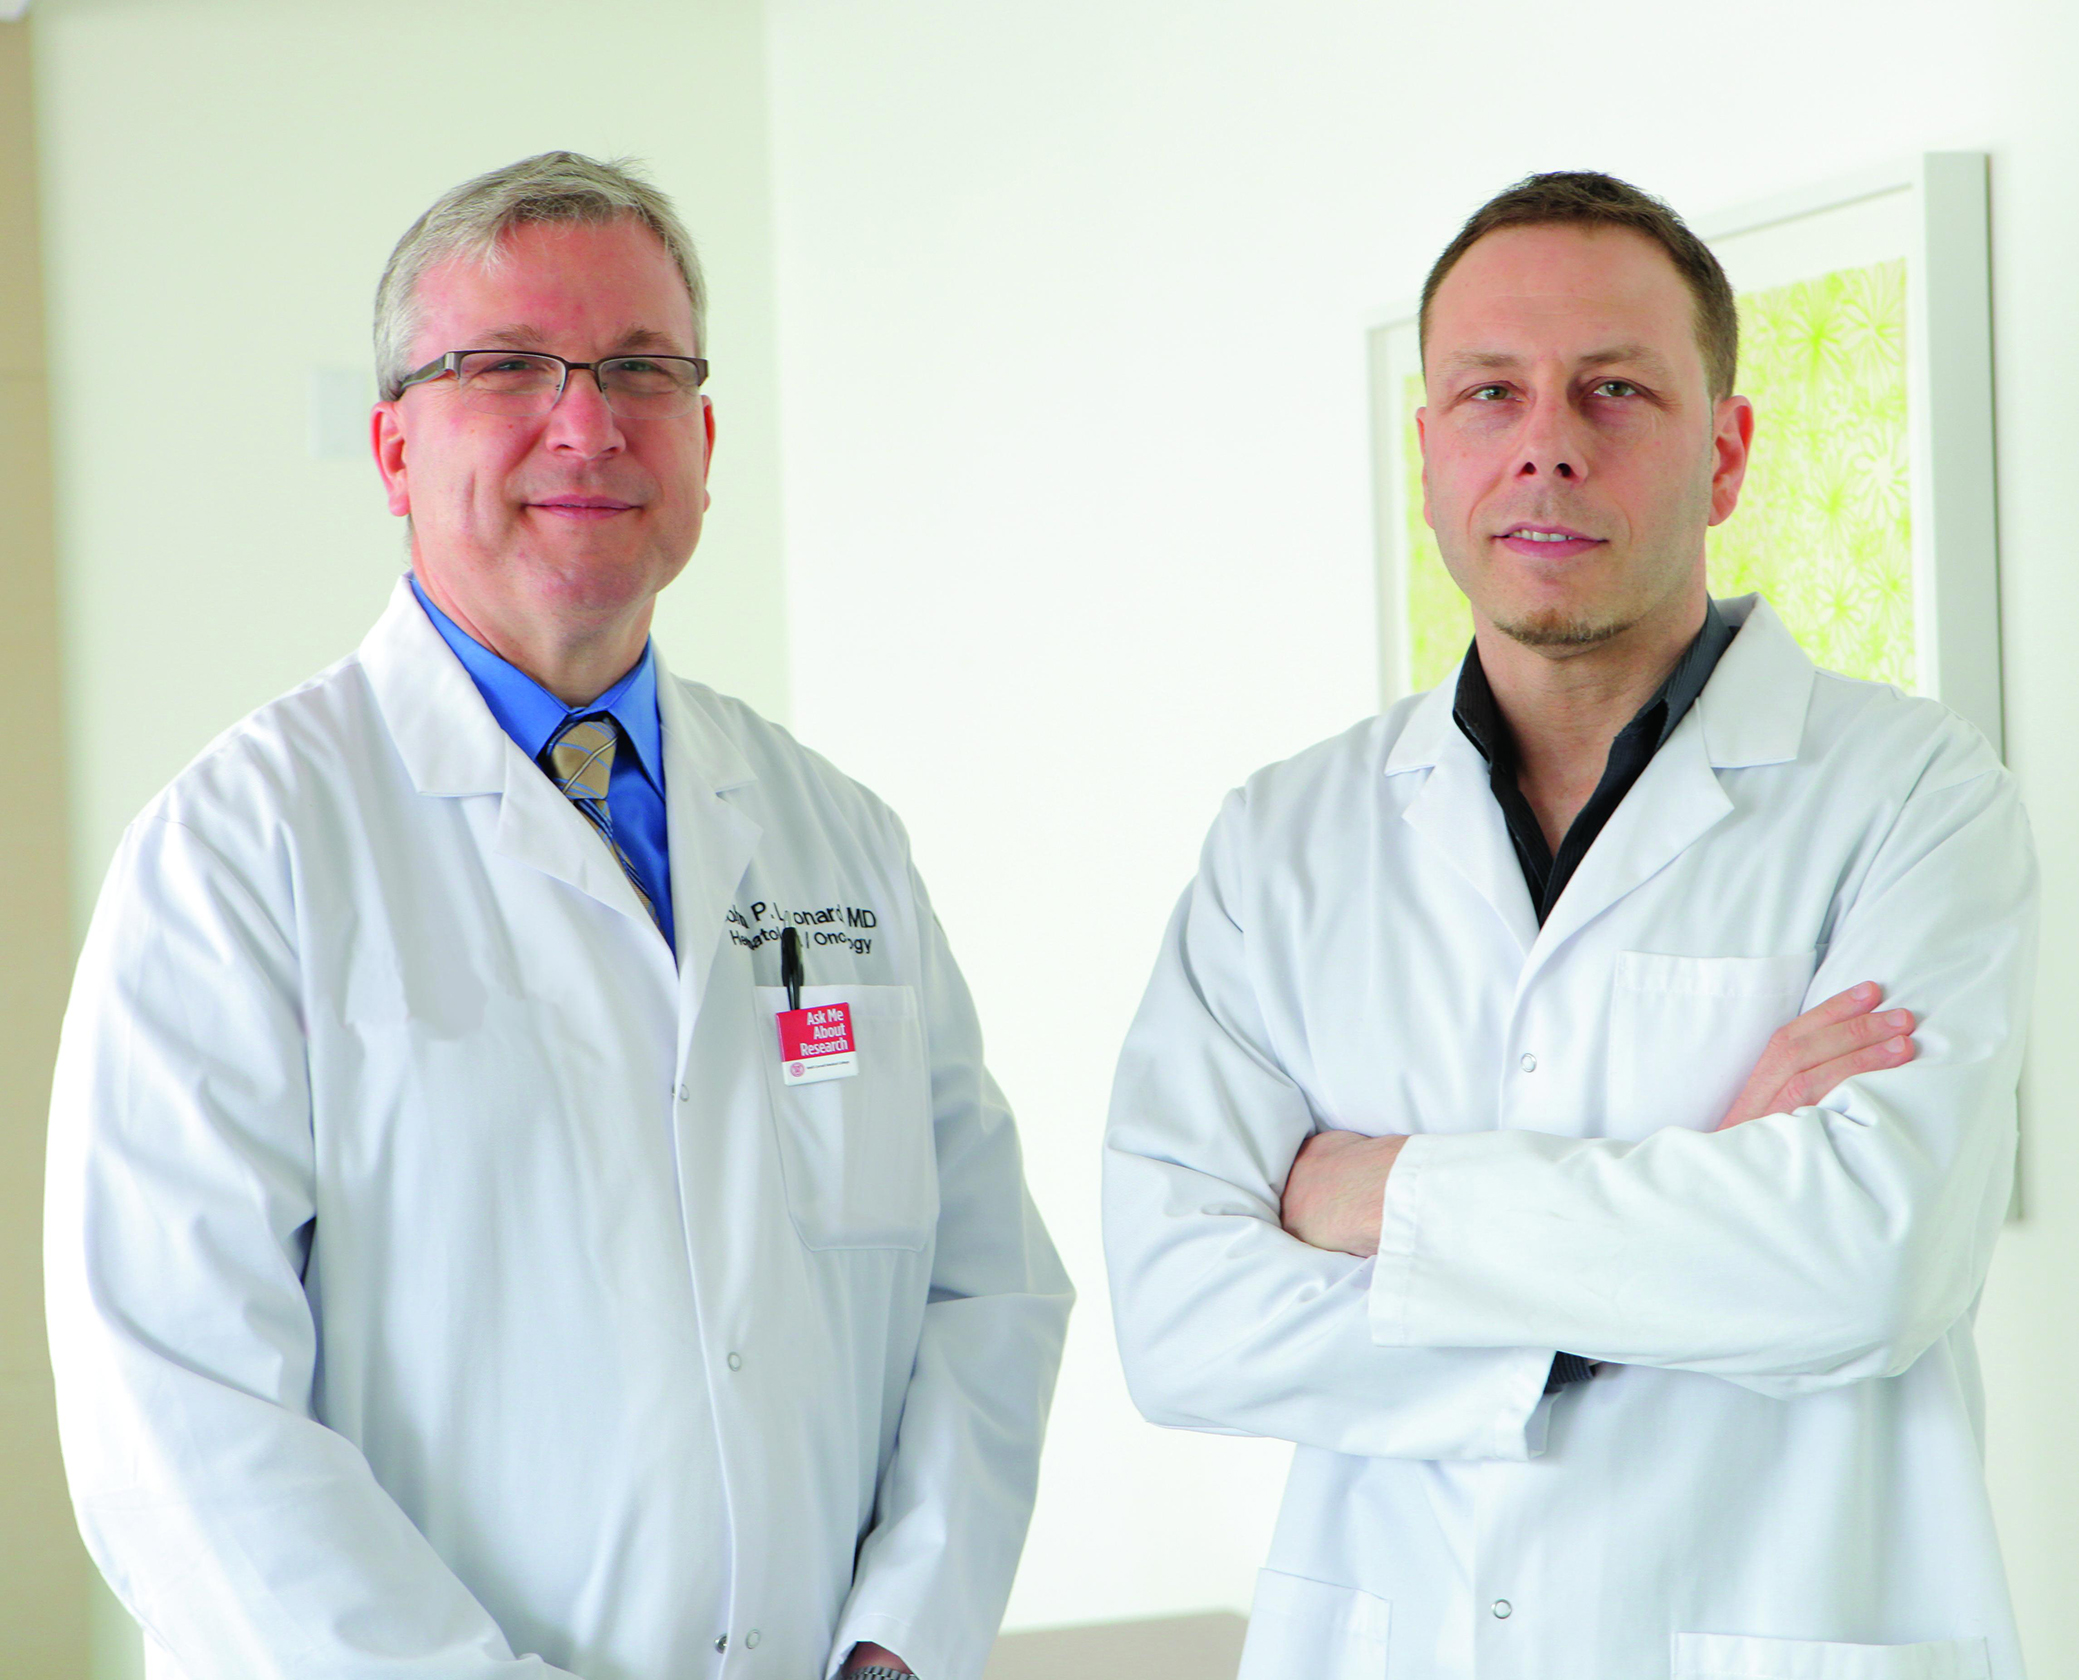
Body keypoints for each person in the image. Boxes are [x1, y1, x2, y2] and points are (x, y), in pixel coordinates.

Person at [45, 151, 1071, 1680]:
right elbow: (178, 1423)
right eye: (507, 366)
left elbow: (986, 1290)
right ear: (394, 447)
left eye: (643, 369)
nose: (587, 424)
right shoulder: (238, 855)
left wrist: (896, 1646)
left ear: (705, 442)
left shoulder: (835, 837)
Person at [1103, 171, 2035, 1679]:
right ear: (1426, 453)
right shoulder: (1283, 840)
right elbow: (1181, 1318)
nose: (1547, 441)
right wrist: (1701, 1218)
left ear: (1725, 455)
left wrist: (1382, 1194)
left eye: (1615, 389)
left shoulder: (1915, 794)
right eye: (1491, 392)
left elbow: (1868, 1266)